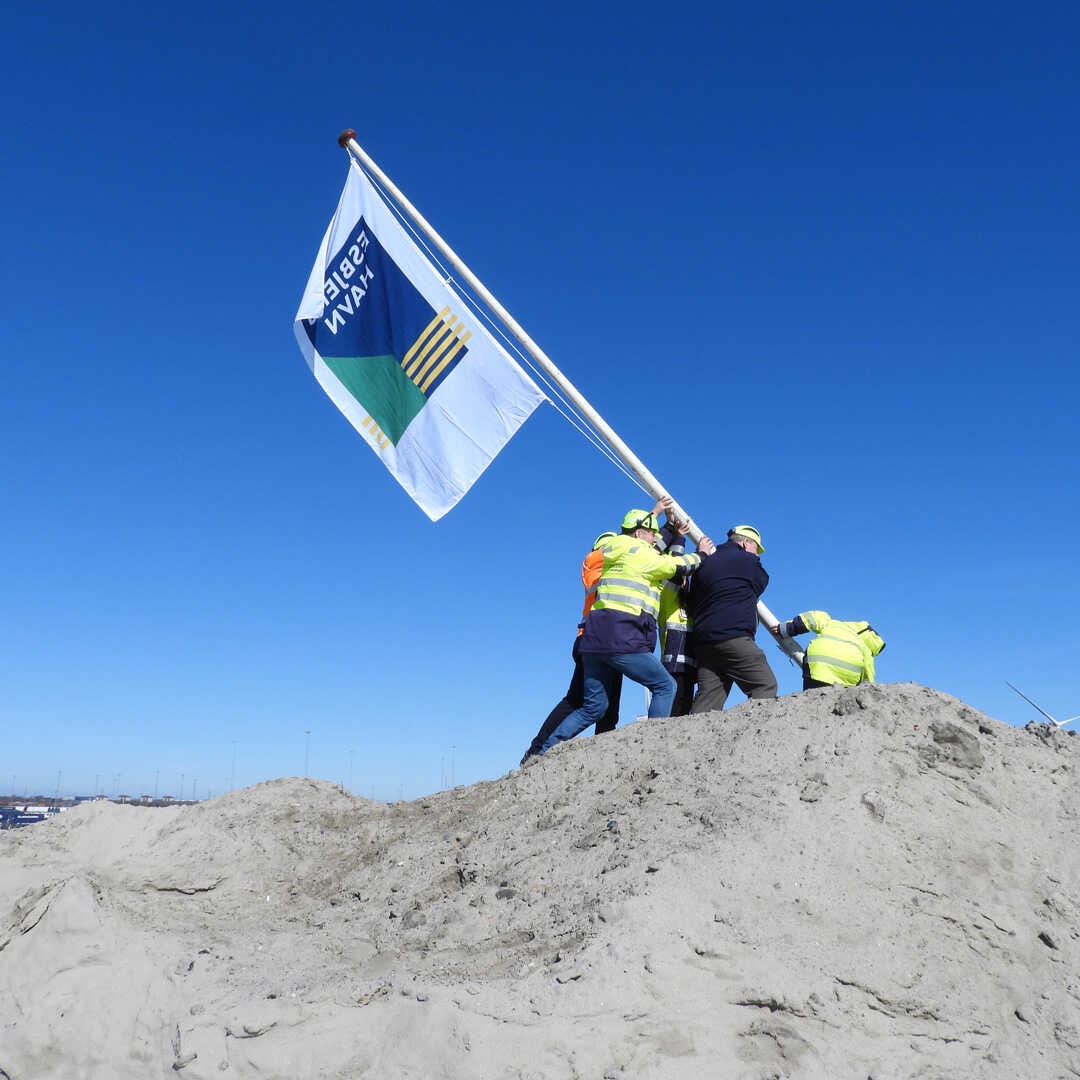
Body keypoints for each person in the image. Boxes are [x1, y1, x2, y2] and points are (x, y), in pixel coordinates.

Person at [536, 504, 715, 754]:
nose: (654, 539)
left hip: (593, 641)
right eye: (652, 534)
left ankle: (547, 750)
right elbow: (677, 567)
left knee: (594, 707)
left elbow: (650, 549)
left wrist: (669, 527)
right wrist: (703, 554)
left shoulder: (614, 550)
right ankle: (654, 747)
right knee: (665, 686)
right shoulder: (642, 555)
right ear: (640, 533)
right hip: (623, 637)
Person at [519, 531, 624, 764]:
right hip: (593, 640)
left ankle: (600, 755)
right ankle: (538, 750)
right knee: (580, 700)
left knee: (606, 703)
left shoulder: (606, 565)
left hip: (602, 639)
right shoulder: (598, 561)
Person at [688, 524, 777, 714]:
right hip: (733, 637)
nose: (758, 554)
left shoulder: (704, 563)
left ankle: (695, 741)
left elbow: (691, 598)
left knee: (708, 699)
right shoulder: (747, 561)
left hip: (704, 642)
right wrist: (752, 559)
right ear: (745, 543)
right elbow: (761, 582)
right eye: (756, 549)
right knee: (765, 685)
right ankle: (752, 738)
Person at [771, 611, 885, 689]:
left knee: (812, 700)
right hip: (846, 680)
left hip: (817, 667)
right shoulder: (865, 649)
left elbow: (813, 617)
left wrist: (787, 628)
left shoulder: (833, 624)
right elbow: (869, 679)